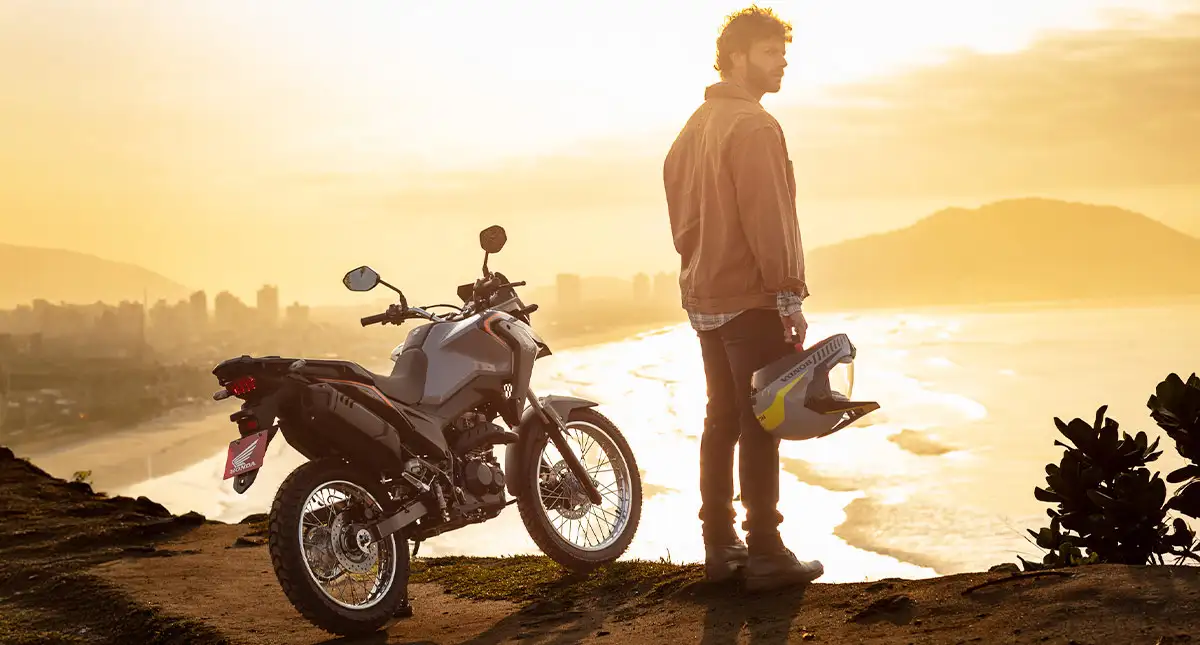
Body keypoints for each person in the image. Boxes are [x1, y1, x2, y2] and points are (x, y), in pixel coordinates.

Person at [662, 5, 824, 591]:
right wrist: (788, 294)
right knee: (762, 420)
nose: (782, 63)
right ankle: (766, 551)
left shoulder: (693, 127)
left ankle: (719, 545)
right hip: (751, 295)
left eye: (783, 52)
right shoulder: (754, 125)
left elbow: (681, 217)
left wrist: (699, 268)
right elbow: (768, 215)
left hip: (705, 295)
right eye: (769, 52)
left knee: (722, 417)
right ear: (736, 57)